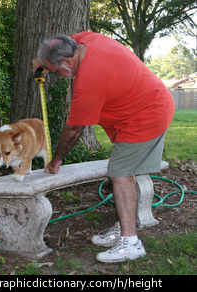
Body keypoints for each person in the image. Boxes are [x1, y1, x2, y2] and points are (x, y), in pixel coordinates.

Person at [32, 32, 175, 263]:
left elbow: (73, 131)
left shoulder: (88, 82)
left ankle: (131, 243)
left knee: (120, 173)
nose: (55, 75)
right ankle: (123, 226)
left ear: (67, 62)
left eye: (55, 71)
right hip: (148, 102)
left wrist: (56, 160)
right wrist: (42, 62)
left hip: (146, 115)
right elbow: (59, 44)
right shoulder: (86, 40)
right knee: (122, 172)